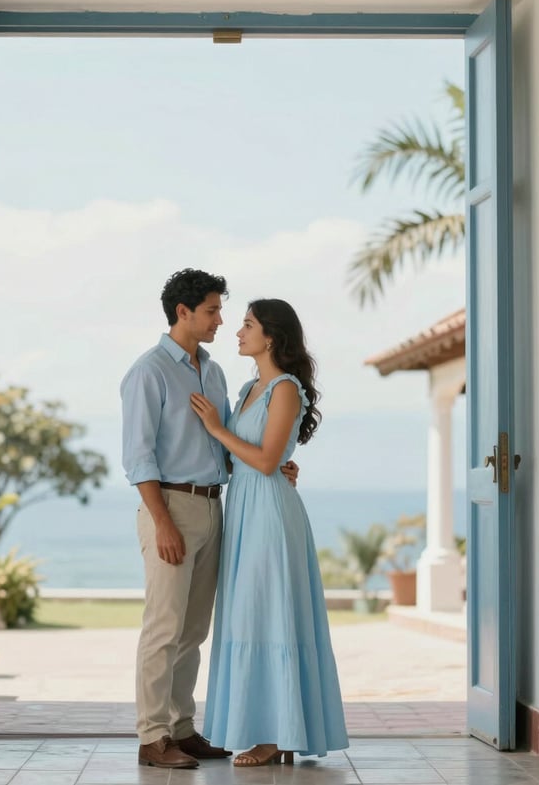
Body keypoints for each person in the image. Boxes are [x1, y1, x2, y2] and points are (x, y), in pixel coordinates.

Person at [120, 270, 298, 770]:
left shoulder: (215, 372)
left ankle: (181, 728)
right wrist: (162, 522)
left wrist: (277, 462)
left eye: (224, 312)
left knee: (194, 629)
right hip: (171, 507)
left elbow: (229, 440)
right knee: (163, 627)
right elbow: (138, 458)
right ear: (184, 312)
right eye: (213, 311)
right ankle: (152, 737)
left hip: (217, 505)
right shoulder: (149, 371)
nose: (222, 320)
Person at [190, 298, 349, 767]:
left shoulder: (285, 388)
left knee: (270, 612)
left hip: (270, 513)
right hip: (244, 506)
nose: (237, 332)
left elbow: (262, 459)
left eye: (247, 325)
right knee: (246, 615)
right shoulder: (247, 388)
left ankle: (277, 733)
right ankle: (257, 726)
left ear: (272, 337)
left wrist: (217, 429)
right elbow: (260, 457)